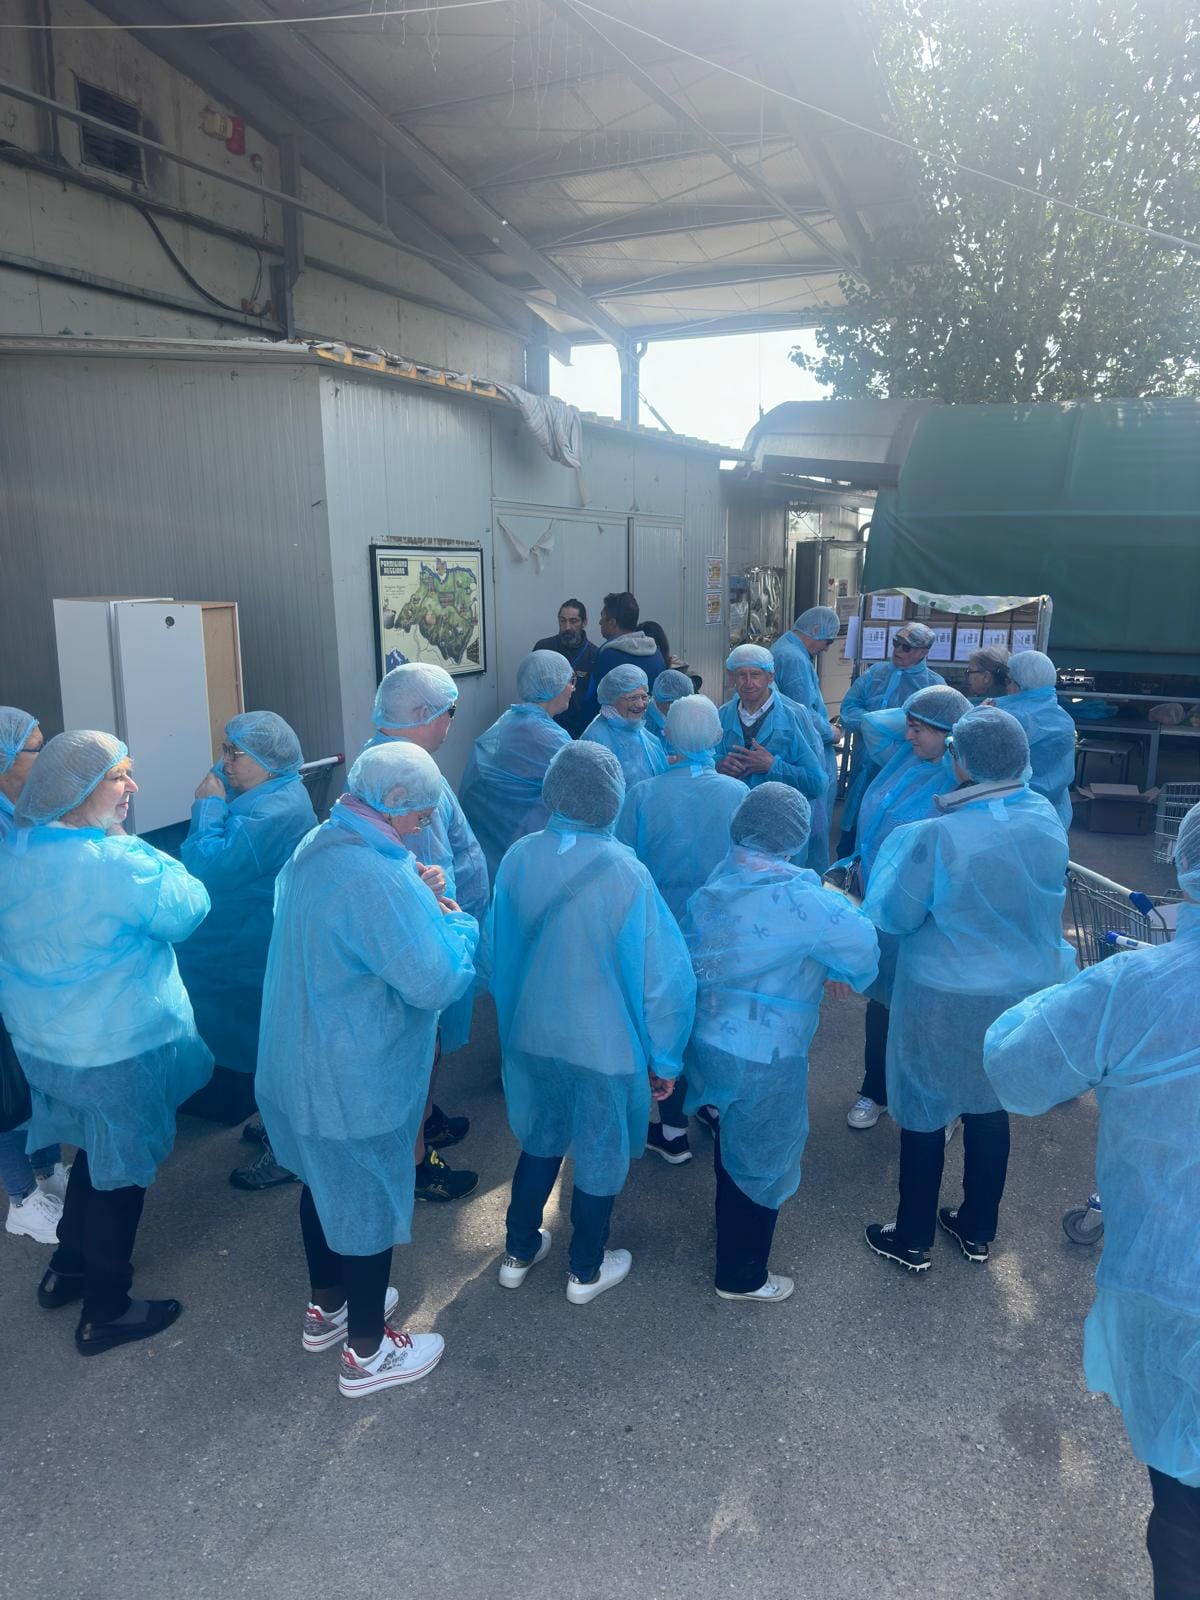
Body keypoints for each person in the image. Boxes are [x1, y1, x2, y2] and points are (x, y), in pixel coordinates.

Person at [983, 802, 1200, 1600]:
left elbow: (1018, 1069)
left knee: (1184, 1512)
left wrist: (1057, 987)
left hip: (1174, 1289)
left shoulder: (1134, 988)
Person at [255, 742, 478, 1397]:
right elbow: (435, 980)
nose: (422, 827)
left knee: (322, 1183)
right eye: (420, 815)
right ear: (395, 802)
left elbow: (337, 927)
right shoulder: (376, 877)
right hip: (355, 1071)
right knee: (366, 1203)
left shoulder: (320, 843)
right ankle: (367, 1353)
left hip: (299, 1055)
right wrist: (452, 919)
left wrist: (414, 894)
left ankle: (327, 1307)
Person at [0, 732, 212, 1355]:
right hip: (115, 1050)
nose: (132, 788)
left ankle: (66, 1269)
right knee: (121, 1174)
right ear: (81, 789)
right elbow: (190, 909)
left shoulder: (18, 849)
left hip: (45, 1047)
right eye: (120, 776)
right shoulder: (115, 863)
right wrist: (127, 841)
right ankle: (106, 1309)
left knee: (94, 1150)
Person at [859, 707, 1076, 1272]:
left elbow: (898, 915)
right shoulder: (1044, 819)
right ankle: (977, 1227)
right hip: (1020, 989)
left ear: (962, 760)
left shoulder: (939, 834)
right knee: (989, 1103)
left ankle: (912, 1237)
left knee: (925, 1107)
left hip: (942, 992)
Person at [486, 742, 695, 1304]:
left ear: (554, 788)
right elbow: (663, 980)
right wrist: (666, 1058)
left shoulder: (519, 857)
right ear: (612, 796)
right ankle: (585, 1268)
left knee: (541, 1138)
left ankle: (517, 1252)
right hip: (603, 1042)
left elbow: (495, 948)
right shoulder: (626, 871)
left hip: (533, 1031)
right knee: (599, 1153)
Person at [682, 785, 878, 1300]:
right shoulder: (805, 901)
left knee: (732, 1137)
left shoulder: (722, 878)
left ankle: (730, 1229)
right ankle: (741, 1275)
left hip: (707, 1037)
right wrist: (834, 966)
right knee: (762, 1157)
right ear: (795, 835)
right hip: (766, 1055)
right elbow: (862, 946)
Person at [175, 712, 317, 1191]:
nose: (225, 762)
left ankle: (288, 1152)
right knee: (265, 1047)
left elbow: (206, 867)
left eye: (236, 753)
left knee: (273, 1052)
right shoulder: (270, 793)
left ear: (268, 761)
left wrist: (208, 807)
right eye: (225, 749)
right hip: (248, 944)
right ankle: (278, 1126)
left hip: (254, 947)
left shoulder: (271, 812)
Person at [369, 663, 488, 1201]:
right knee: (420, 1050)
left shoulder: (401, 765)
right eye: (448, 712)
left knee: (428, 1049)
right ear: (422, 713)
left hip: (435, 933)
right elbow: (413, 876)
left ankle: (425, 1120)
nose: (450, 724)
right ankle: (417, 1163)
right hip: (423, 943)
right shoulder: (401, 778)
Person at [615, 695, 744, 1163]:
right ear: (717, 735)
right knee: (715, 1018)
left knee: (667, 1020)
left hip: (659, 928)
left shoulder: (642, 795)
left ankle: (672, 1129)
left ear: (666, 734)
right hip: (721, 929)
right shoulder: (738, 794)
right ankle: (713, 1105)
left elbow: (621, 865)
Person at [843, 684, 972, 1131]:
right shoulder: (904, 760)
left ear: (950, 736)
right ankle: (875, 1089)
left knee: (931, 1014)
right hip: (885, 909)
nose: (908, 734)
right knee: (882, 1003)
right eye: (909, 725)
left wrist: (955, 728)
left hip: (929, 919)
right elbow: (875, 724)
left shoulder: (961, 784)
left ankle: (941, 1100)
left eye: (918, 728)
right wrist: (920, 715)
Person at [0, 707, 68, 1245]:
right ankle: (21, 1199)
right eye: (36, 748)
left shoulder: (25, 810)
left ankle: (46, 1170)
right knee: (7, 1089)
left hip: (28, 971)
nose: (45, 757)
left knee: (34, 1077)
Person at [458, 650, 573, 880]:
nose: (573, 688)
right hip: (524, 838)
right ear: (554, 684)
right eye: (570, 681)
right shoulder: (546, 735)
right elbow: (583, 781)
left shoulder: (512, 720)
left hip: (499, 840)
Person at [714, 644, 829, 873]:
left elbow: (817, 782)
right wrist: (719, 764)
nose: (748, 683)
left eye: (755, 674)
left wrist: (772, 766)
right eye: (741, 675)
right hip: (735, 828)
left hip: (781, 833)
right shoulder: (723, 715)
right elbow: (706, 761)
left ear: (770, 677)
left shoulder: (794, 716)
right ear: (731, 677)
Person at [837, 622, 945, 854]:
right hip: (864, 765)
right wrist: (874, 725)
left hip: (907, 770)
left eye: (906, 647)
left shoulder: (934, 686)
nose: (897, 650)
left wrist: (887, 734)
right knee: (852, 835)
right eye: (896, 643)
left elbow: (939, 731)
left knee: (889, 836)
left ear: (923, 652)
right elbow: (849, 708)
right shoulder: (875, 673)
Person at [770, 605, 843, 817]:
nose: (827, 649)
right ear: (816, 630)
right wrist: (830, 732)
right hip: (804, 747)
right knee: (810, 815)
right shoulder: (793, 658)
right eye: (828, 641)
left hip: (797, 743)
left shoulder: (787, 649)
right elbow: (801, 711)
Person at [998, 649, 1076, 831]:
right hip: (1054, 813)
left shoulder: (1010, 719)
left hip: (1011, 811)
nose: (1006, 688)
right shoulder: (1064, 718)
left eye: (1008, 681)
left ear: (1019, 685)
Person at [581, 663, 669, 789]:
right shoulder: (595, 738)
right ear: (612, 698)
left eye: (644, 697)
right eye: (632, 698)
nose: (640, 704)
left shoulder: (640, 732)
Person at [582, 591, 668, 718]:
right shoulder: (656, 654)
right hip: (650, 726)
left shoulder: (607, 655)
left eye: (602, 617)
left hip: (615, 727)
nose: (600, 622)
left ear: (612, 623)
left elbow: (593, 698)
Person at [533, 599, 597, 739]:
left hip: (579, 731)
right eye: (563, 621)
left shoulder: (594, 655)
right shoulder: (543, 648)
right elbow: (533, 688)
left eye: (573, 621)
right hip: (544, 727)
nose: (567, 627)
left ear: (584, 622)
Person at [645, 668, 694, 742]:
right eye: (671, 702)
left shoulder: (689, 714)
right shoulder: (646, 723)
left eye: (683, 702)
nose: (678, 707)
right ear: (658, 699)